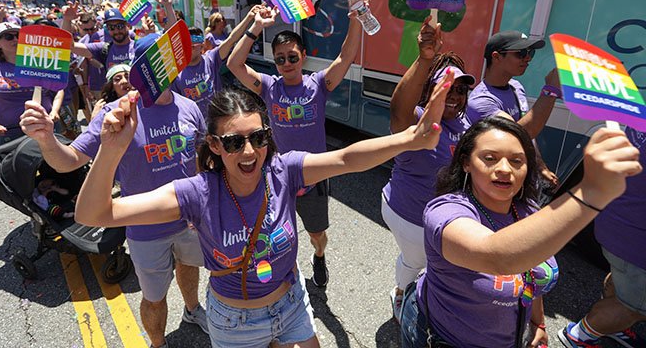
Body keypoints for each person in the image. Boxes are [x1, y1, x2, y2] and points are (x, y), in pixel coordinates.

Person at [74, 69, 453, 348]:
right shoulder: (196, 192)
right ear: (215, 145)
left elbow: (346, 159)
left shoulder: (284, 171)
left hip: (291, 304)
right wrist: (111, 148)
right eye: (234, 142)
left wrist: (409, 139)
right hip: (236, 323)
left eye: (258, 137)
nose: (250, 151)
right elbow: (94, 215)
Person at [20, 34, 209, 348]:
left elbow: (200, 161)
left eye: (169, 59)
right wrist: (47, 140)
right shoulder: (117, 113)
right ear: (140, 66)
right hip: (145, 230)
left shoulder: (190, 108)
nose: (164, 67)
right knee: (154, 298)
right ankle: (158, 343)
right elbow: (68, 162)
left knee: (189, 269)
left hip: (188, 222)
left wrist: (202, 210)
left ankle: (192, 310)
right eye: (154, 60)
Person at [399, 117, 642, 348]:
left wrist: (538, 322)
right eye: (490, 158)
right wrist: (591, 191)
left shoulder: (528, 210)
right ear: (466, 163)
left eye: (517, 161)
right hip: (443, 338)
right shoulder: (445, 211)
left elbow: (531, 271)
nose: (505, 169)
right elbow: (496, 257)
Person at [227, 0, 364, 287]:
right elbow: (234, 63)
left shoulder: (318, 85)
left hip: (313, 177)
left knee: (317, 235)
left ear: (303, 55)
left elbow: (345, 57)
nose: (286, 63)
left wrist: (355, 19)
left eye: (292, 57)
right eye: (279, 58)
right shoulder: (268, 86)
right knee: (273, 233)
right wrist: (256, 27)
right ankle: (281, 274)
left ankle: (319, 255)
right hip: (277, 178)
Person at [383, 18, 474, 320]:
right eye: (446, 87)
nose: (455, 95)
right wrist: (424, 60)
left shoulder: (464, 123)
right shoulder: (418, 121)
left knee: (438, 266)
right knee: (415, 261)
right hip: (410, 216)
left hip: (446, 220)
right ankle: (400, 292)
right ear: (431, 89)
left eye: (460, 90)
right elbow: (398, 108)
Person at [559, 126, 646, 348]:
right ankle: (581, 334)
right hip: (635, 237)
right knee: (634, 307)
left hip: (616, 221)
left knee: (620, 278)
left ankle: (612, 323)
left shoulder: (637, 116)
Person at [467, 30, 561, 190]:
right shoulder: (481, 102)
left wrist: (540, 166)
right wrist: (550, 92)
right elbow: (518, 135)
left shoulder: (516, 87)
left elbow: (528, 135)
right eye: (521, 53)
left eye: (530, 52)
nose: (528, 58)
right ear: (496, 57)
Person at [0, 22, 61, 144]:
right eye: (8, 37)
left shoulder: (40, 60)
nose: (16, 39)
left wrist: (54, 111)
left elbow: (59, 88)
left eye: (19, 35)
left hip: (45, 126)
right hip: (8, 133)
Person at [172, 6, 256, 118]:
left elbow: (232, 39)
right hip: (195, 124)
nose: (190, 45)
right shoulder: (177, 73)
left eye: (194, 42)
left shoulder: (211, 59)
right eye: (186, 42)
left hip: (217, 118)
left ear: (202, 44)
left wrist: (249, 17)